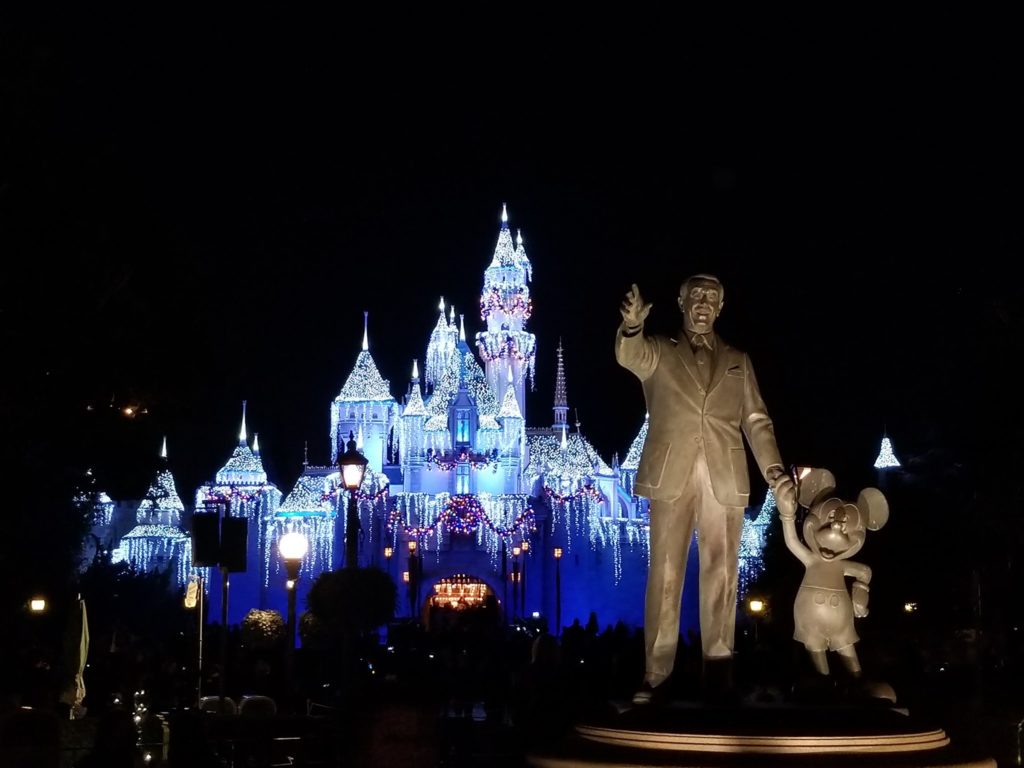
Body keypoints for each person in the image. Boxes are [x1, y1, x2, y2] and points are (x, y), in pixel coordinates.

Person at [615, 274, 794, 704]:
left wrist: (774, 472)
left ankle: (718, 669)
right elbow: (630, 355)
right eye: (696, 296)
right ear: (681, 301)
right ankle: (656, 674)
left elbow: (756, 420)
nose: (703, 303)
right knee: (666, 573)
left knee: (722, 572)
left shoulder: (737, 359)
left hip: (724, 475)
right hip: (671, 473)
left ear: (721, 306)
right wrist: (633, 326)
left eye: (711, 298)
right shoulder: (660, 350)